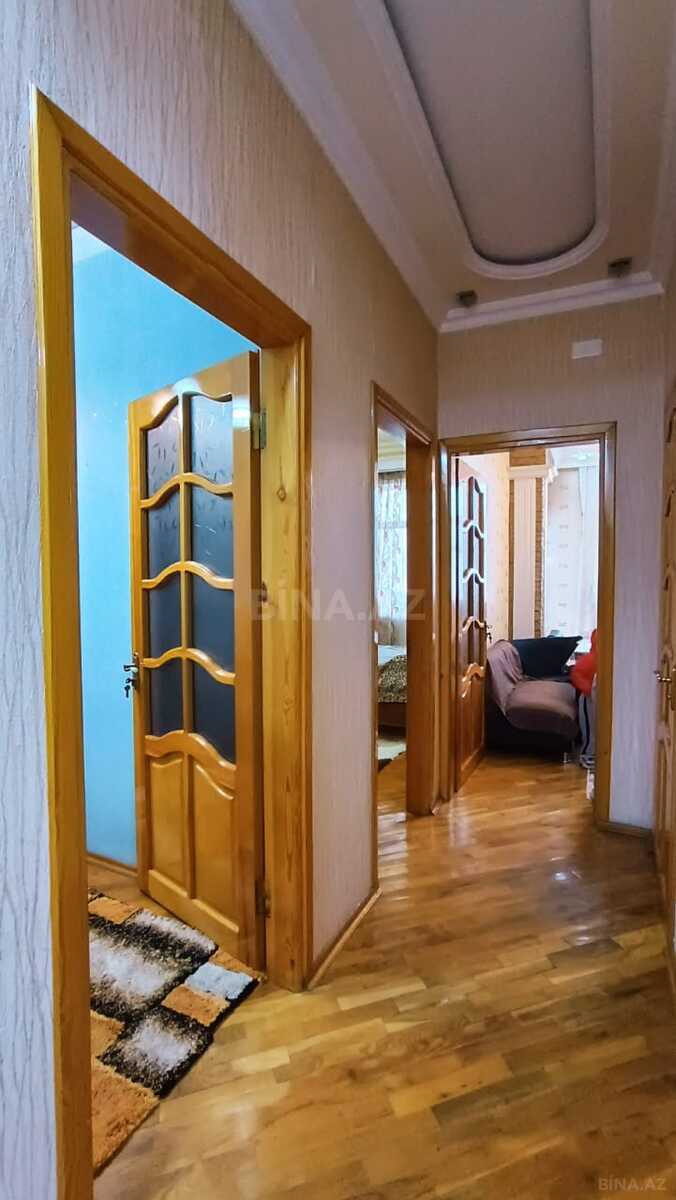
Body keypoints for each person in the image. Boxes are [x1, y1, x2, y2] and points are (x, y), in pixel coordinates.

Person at [570, 629, 598, 770]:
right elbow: (576, 674)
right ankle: (587, 755)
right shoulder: (589, 660)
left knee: (598, 728)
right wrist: (588, 690)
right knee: (590, 728)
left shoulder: (607, 659)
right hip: (588, 699)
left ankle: (595, 755)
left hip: (601, 698)